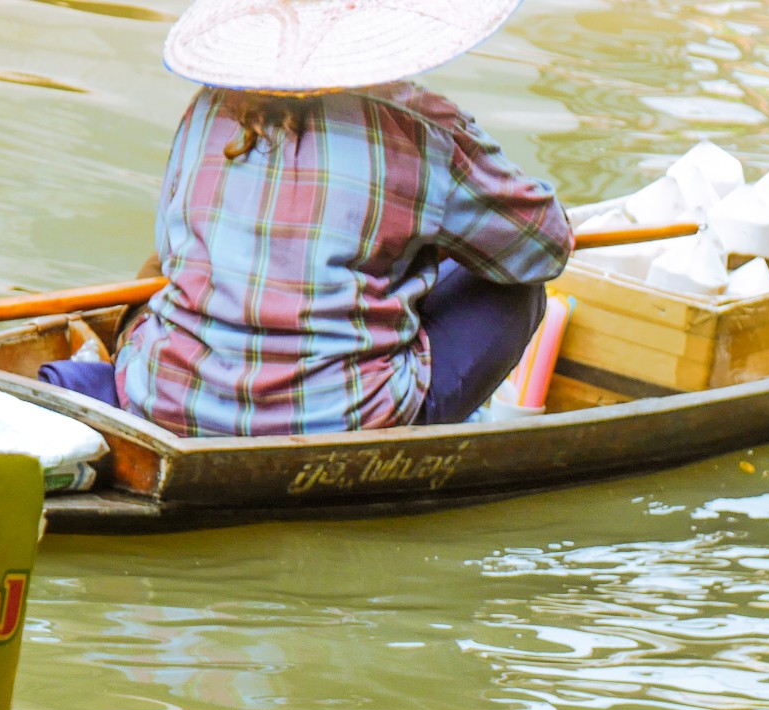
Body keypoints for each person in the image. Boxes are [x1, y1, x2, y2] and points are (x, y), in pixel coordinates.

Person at [51, 0, 572, 433]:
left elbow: (170, 252)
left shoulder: (208, 108)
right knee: (515, 289)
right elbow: (542, 251)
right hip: (342, 423)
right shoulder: (422, 129)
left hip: (165, 403)